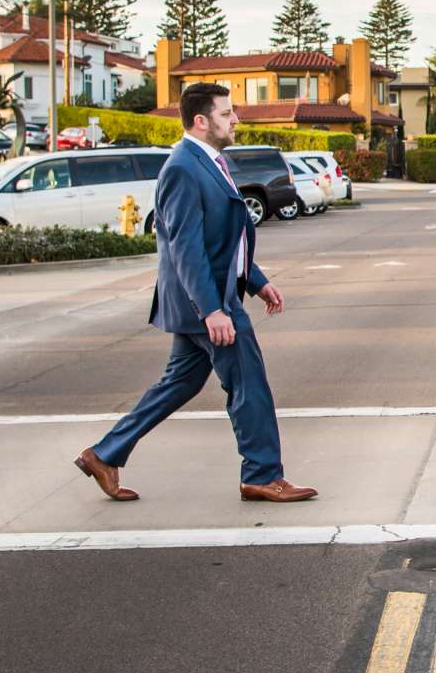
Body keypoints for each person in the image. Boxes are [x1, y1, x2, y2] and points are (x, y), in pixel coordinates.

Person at [75, 83, 315, 504]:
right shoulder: (183, 168)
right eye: (226, 114)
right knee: (249, 383)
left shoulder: (209, 161)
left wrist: (257, 281)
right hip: (208, 303)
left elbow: (222, 238)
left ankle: (104, 454)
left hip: (206, 300)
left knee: (179, 384)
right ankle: (262, 474)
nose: (236, 120)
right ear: (201, 121)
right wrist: (211, 310)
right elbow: (185, 247)